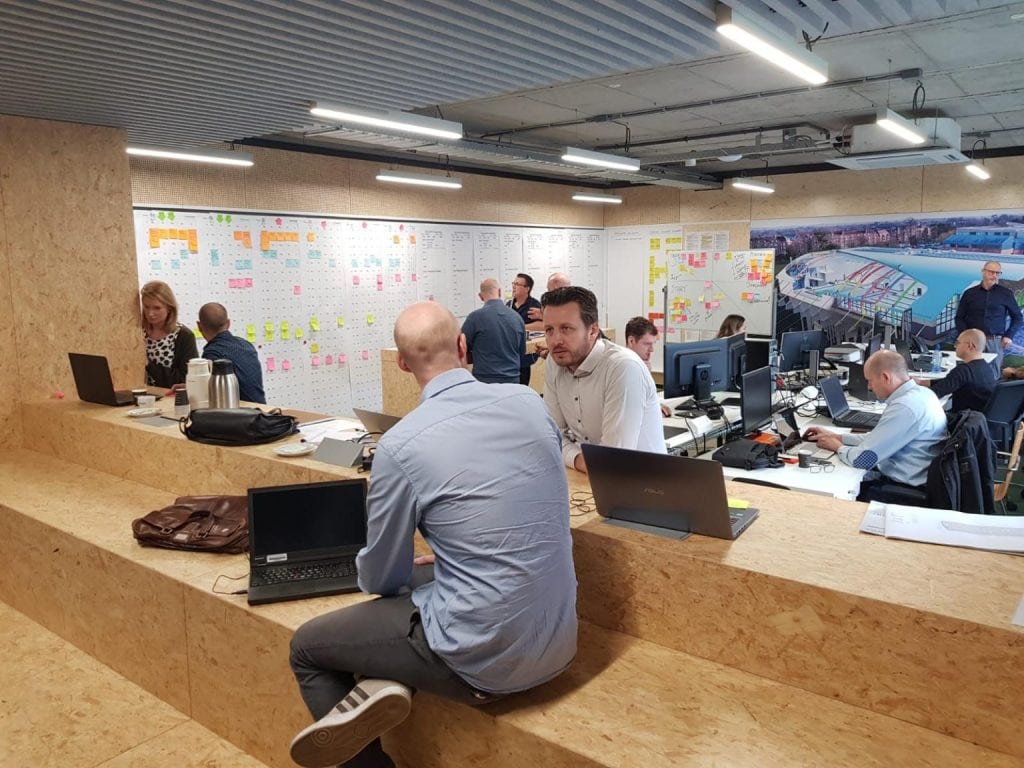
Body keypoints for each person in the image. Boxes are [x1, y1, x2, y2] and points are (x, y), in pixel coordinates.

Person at [288, 301, 577, 768]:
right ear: (463, 346)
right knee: (424, 580)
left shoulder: (401, 445)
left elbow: (381, 577)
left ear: (403, 364)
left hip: (485, 665)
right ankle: (387, 678)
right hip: (558, 642)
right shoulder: (528, 402)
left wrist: (394, 572)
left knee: (307, 647)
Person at [543, 286, 666, 473]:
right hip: (588, 477)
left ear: (593, 330)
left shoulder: (622, 367)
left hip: (642, 482)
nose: (555, 340)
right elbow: (551, 436)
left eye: (566, 329)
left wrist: (573, 456)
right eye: (549, 330)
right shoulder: (554, 363)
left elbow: (613, 459)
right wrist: (579, 460)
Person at [806, 350, 947, 502]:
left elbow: (862, 461)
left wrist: (837, 447)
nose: (869, 387)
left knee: (829, 490)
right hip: (917, 479)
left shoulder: (905, 407)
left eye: (870, 381)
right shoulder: (923, 394)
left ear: (885, 377)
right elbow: (877, 438)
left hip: (902, 490)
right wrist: (838, 437)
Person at [954, 260, 1022, 374]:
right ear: (983, 271)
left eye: (997, 273)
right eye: (991, 272)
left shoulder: (1006, 294)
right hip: (972, 343)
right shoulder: (969, 293)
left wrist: (1009, 336)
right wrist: (965, 336)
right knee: (969, 373)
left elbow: (1017, 317)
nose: (994, 276)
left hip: (994, 342)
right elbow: (959, 317)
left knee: (993, 375)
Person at [196, 302, 266, 403]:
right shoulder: (246, 345)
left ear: (199, 327)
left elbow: (210, 394)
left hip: (238, 411)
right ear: (228, 323)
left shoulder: (212, 353)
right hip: (263, 409)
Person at [461, 278, 525, 384]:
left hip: (485, 381)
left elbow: (461, 348)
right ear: (500, 292)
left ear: (480, 296)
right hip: (512, 381)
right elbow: (521, 352)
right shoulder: (517, 318)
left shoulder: (474, 318)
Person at [914, 329, 995, 412]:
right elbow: (949, 382)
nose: (955, 346)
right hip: (978, 416)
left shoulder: (963, 370)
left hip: (963, 417)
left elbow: (933, 394)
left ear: (970, 346)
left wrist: (910, 390)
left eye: (958, 343)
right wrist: (922, 382)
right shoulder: (986, 367)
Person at [140, 280, 197, 389]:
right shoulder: (137, 332)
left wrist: (149, 365)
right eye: (146, 307)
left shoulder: (184, 336)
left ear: (169, 308)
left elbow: (184, 380)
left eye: (157, 308)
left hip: (169, 396)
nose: (150, 313)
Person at [624, 316, 671, 417]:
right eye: (647, 344)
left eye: (653, 344)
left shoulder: (641, 366)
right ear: (631, 341)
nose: (651, 349)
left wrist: (656, 404)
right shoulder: (623, 369)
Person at [507, 272, 543, 384]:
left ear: (527, 289)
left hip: (527, 355)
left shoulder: (534, 305)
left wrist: (519, 327)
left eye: (517, 284)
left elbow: (542, 326)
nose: (514, 286)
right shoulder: (509, 305)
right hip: (510, 353)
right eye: (513, 283)